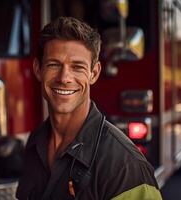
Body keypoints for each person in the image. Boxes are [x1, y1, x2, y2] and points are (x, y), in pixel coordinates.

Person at [16, 17, 162, 200]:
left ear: (94, 73)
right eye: (54, 65)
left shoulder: (125, 167)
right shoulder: (35, 144)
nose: (64, 78)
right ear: (38, 69)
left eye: (77, 67)